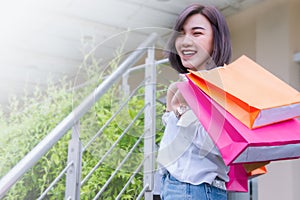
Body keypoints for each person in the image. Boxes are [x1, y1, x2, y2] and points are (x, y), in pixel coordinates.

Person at [157, 3, 232, 200]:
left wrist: (181, 111)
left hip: (195, 190)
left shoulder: (220, 86)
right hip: (173, 187)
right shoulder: (188, 84)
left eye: (196, 33)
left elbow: (217, 146)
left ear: (216, 40)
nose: (185, 42)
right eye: (181, 34)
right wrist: (171, 110)